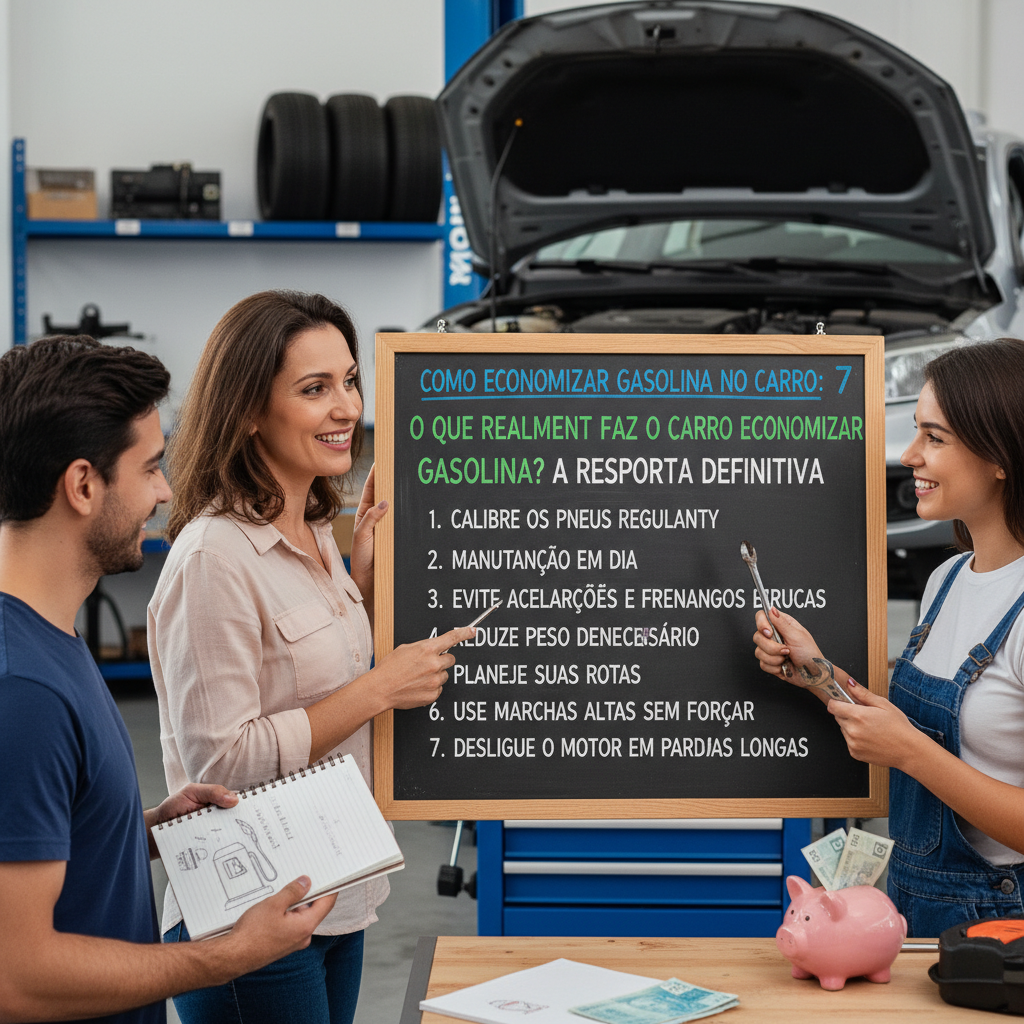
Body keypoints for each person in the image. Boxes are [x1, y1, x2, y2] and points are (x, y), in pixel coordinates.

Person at [149, 290, 473, 1024]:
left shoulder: (318, 530)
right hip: (251, 917)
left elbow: (304, 677)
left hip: (337, 893)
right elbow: (220, 767)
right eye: (314, 389)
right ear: (249, 412)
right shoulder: (214, 557)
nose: (345, 408)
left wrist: (356, 590)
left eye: (350, 381)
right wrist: (380, 687)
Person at [0, 336, 337, 1024]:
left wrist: (143, 828)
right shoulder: (22, 690)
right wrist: (228, 956)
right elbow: (16, 977)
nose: (164, 491)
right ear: (84, 485)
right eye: (151, 467)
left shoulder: (47, 641)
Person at [752, 337, 1024, 936]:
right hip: (917, 908)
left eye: (935, 437)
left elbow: (911, 745)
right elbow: (907, 727)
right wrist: (818, 673)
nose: (908, 455)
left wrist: (909, 753)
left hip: (1000, 927)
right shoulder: (948, 579)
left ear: (1002, 456)